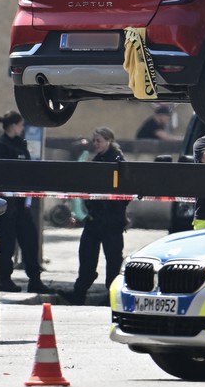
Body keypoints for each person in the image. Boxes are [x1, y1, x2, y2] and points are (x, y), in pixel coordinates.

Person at [59, 127, 129, 306]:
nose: (95, 144)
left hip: (111, 221)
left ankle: (111, 296)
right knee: (86, 254)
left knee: (113, 259)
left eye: (99, 140)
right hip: (94, 219)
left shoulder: (117, 160)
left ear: (109, 141)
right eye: (94, 140)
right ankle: (79, 292)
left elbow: (125, 192)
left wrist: (113, 210)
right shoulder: (98, 159)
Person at [0, 109, 52, 294]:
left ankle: (35, 278)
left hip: (22, 203)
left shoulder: (20, 145)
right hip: (7, 204)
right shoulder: (0, 146)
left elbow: (27, 170)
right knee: (7, 243)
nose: (23, 128)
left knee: (30, 241)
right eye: (21, 125)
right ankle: (4, 279)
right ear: (13, 125)